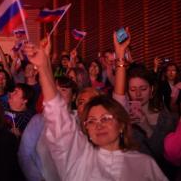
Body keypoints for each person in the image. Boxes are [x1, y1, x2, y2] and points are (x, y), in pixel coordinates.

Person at [23, 38, 167, 180]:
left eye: (105, 118)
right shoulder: (78, 158)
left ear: (121, 124)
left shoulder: (144, 164)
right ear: (86, 129)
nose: (99, 125)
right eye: (91, 121)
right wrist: (43, 66)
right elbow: (57, 113)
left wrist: (120, 56)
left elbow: (119, 97)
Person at [112, 29, 178, 179]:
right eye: (133, 89)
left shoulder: (167, 119)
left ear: (152, 90)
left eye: (143, 89)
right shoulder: (123, 114)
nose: (138, 94)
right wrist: (120, 55)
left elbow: (168, 158)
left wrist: (146, 127)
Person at [18, 76, 78, 181]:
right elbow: (25, 154)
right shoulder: (38, 121)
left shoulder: (79, 121)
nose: (57, 94)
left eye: (63, 90)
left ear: (73, 96)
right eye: (55, 90)